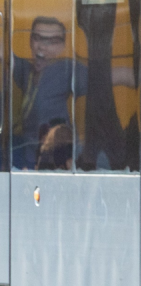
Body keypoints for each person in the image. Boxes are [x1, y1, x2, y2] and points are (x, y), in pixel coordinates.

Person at [13, 16, 87, 170]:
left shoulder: (66, 69)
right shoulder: (25, 71)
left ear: (63, 46)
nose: (42, 47)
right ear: (30, 41)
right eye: (38, 38)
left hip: (55, 159)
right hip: (26, 157)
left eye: (52, 41)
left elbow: (109, 77)